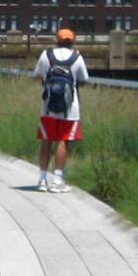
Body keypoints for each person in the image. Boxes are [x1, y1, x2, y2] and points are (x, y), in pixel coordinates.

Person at [33, 28, 88, 194]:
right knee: (63, 140)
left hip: (47, 105)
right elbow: (84, 79)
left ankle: (42, 179)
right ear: (72, 41)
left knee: (46, 140)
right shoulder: (77, 57)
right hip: (69, 108)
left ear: (56, 40)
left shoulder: (46, 55)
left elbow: (37, 75)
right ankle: (57, 179)